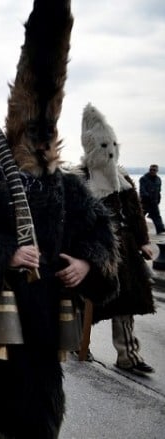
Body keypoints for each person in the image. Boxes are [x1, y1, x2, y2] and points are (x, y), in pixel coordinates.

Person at [0, 1, 119, 437]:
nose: (42, 141)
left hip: (47, 313)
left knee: (43, 407)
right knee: (2, 404)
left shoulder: (69, 187)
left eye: (47, 132)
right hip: (2, 308)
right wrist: (6, 253)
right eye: (33, 132)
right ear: (18, 131)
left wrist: (87, 263)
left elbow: (100, 233)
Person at [77, 103, 156, 375]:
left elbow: (135, 213)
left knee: (126, 303)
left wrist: (144, 241)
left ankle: (128, 355)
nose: (109, 151)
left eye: (112, 144)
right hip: (95, 252)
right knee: (83, 301)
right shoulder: (82, 180)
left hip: (125, 250)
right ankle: (77, 341)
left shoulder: (123, 180)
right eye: (103, 146)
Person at [139, 164, 164, 234]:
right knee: (140, 216)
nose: (152, 171)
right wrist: (147, 196)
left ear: (157, 171)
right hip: (145, 202)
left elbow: (158, 190)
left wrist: (158, 199)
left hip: (154, 202)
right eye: (151, 170)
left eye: (154, 170)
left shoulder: (158, 179)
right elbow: (142, 190)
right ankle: (137, 230)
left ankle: (160, 229)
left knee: (157, 216)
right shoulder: (143, 178)